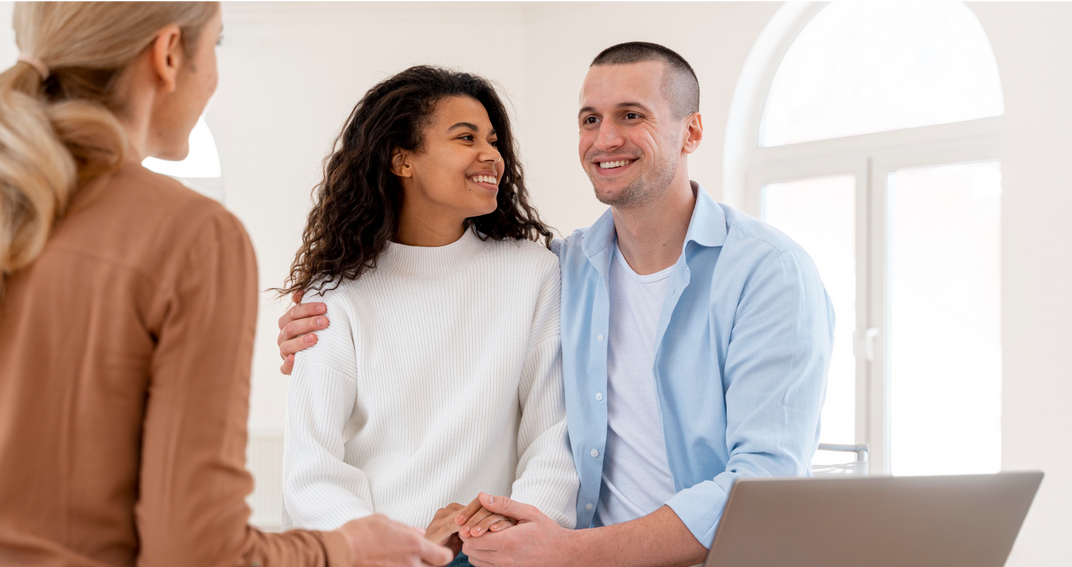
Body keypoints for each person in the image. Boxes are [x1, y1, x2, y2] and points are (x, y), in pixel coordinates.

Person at [0, 1, 452, 566]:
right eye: (217, 46)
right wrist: (343, 548)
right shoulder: (193, 238)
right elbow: (196, 553)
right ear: (169, 54)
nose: (215, 76)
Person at [278, 42, 834, 567]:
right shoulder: (572, 265)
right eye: (590, 119)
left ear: (691, 133)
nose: (605, 138)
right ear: (402, 160)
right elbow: (316, 467)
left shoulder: (765, 272)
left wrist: (547, 544)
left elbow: (761, 479)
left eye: (632, 115)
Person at [277, 66, 579, 563]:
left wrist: (510, 523)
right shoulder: (336, 294)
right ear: (402, 160)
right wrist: (405, 549)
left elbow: (554, 435)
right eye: (466, 137)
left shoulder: (535, 274)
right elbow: (312, 469)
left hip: (498, 554)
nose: (492, 156)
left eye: (494, 141)